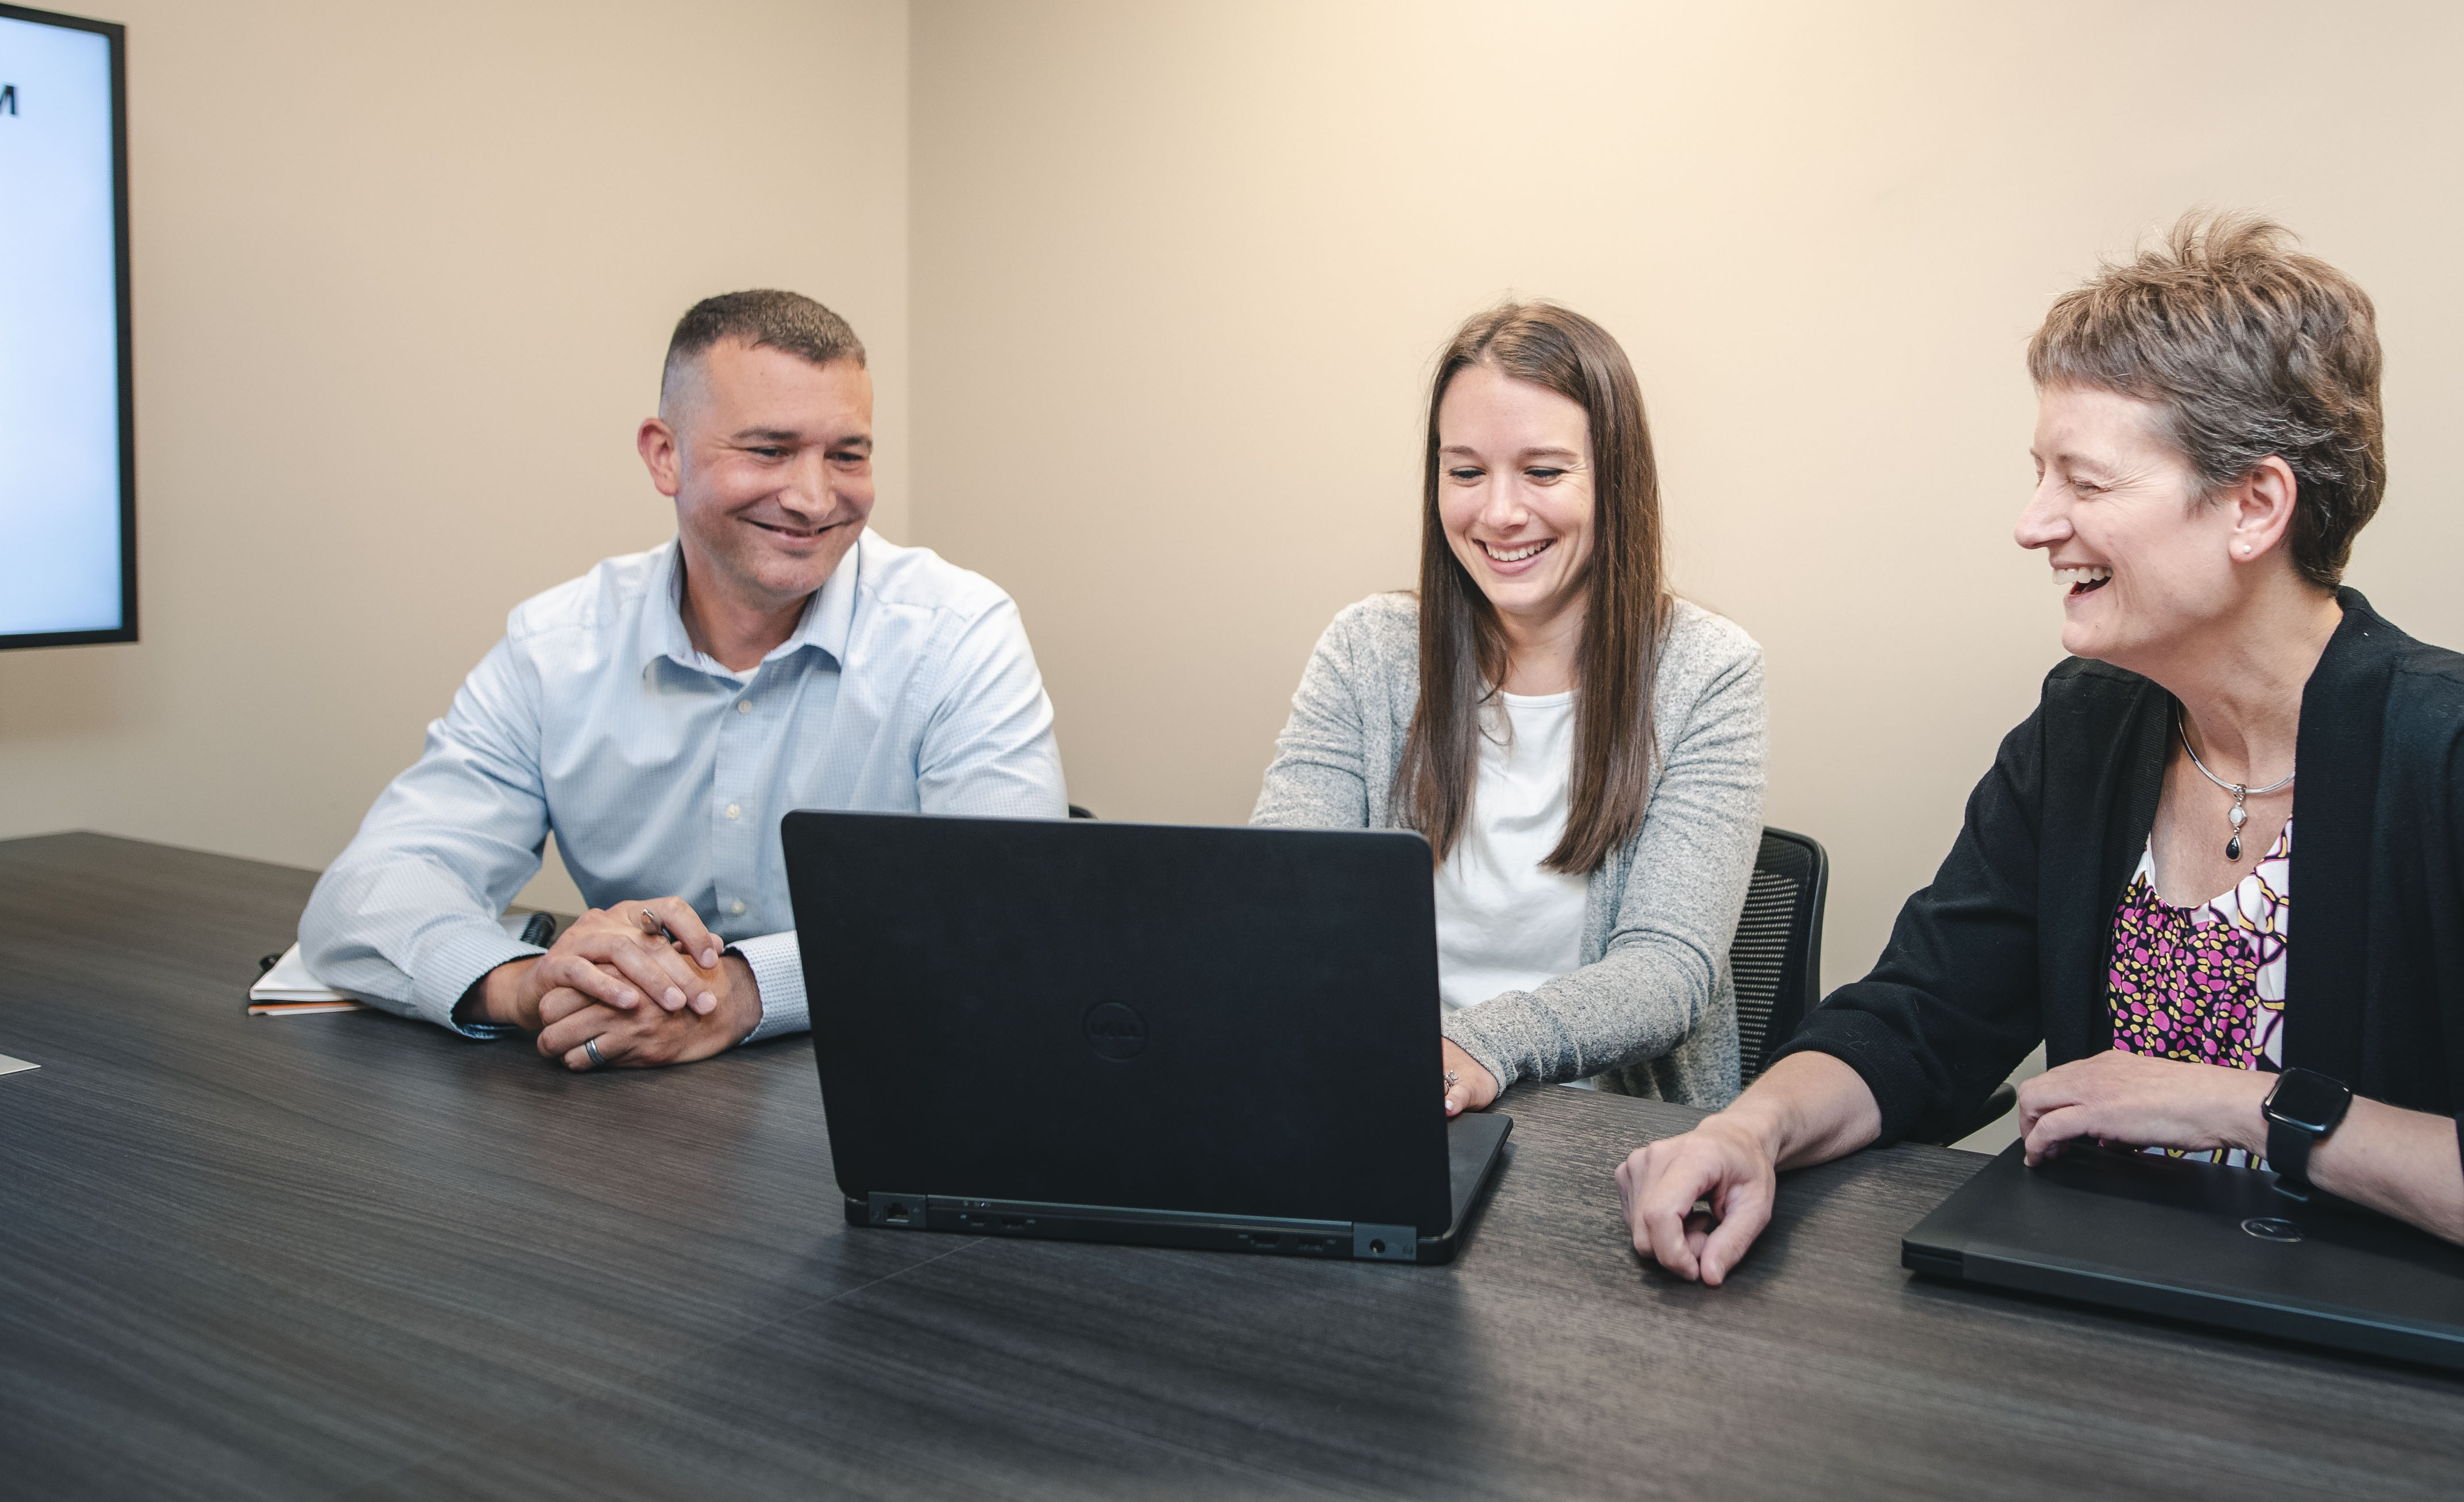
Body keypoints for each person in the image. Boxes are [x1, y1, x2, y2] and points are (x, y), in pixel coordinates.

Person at [1613, 214, 2464, 1333]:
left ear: (2254, 504)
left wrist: (2249, 1106)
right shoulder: (2087, 729)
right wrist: (1752, 1128)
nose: (2035, 522)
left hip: (2392, 1383)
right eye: (2041, 473)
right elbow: (1921, 1020)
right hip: (2122, 1335)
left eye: (2084, 481)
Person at [299, 290, 1066, 1070]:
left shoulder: (959, 633)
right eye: (769, 450)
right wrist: (526, 985)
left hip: (892, 1086)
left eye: (847, 453)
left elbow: (1009, 919)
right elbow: (367, 892)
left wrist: (741, 991)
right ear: (665, 454)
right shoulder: (556, 648)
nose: (812, 498)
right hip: (623, 1108)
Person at [1252, 302, 1767, 1114]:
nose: (1498, 512)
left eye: (1544, 471)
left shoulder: (1708, 671)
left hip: (1603, 1132)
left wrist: (1474, 1046)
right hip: (1387, 1100)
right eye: (1465, 472)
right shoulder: (1367, 650)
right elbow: (1274, 901)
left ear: (1615, 479)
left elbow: (1666, 973)